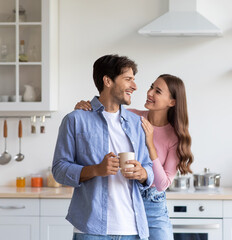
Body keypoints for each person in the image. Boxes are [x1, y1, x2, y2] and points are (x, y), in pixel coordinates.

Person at [75, 74, 194, 240]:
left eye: (157, 91)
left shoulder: (175, 137)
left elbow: (161, 184)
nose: (150, 92)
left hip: (153, 205)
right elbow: (99, 121)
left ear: (172, 102)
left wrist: (150, 144)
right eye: (151, 87)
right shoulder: (131, 117)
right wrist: (83, 109)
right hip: (127, 198)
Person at [53, 54, 154, 240]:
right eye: (128, 79)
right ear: (107, 81)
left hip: (132, 230)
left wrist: (143, 173)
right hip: (91, 229)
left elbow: (149, 167)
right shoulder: (76, 120)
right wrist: (96, 170)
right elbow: (59, 170)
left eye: (134, 79)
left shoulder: (136, 123)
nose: (135, 86)